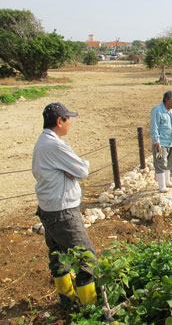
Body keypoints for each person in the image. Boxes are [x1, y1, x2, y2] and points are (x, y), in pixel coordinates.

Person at [32, 103, 97, 306]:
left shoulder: (42, 142)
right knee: (87, 259)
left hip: (48, 208)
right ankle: (90, 307)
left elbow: (74, 169)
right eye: (69, 119)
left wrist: (72, 169)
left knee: (58, 256)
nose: (70, 124)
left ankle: (67, 300)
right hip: (63, 211)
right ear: (60, 121)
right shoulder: (56, 145)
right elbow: (82, 170)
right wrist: (77, 167)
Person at [150, 91, 172, 192]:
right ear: (167, 100)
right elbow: (154, 127)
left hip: (170, 142)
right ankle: (162, 186)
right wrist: (156, 141)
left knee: (169, 162)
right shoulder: (157, 110)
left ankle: (167, 181)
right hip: (160, 143)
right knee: (160, 163)